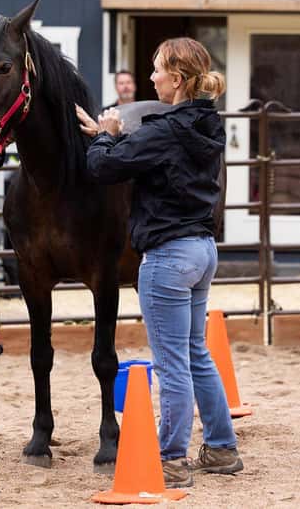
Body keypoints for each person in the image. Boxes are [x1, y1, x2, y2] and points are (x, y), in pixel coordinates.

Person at [77, 38, 242, 488]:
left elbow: (104, 169)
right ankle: (222, 447)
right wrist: (113, 136)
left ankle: (171, 458)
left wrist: (106, 137)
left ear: (179, 79)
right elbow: (152, 149)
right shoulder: (207, 123)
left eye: (157, 71)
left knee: (171, 364)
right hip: (202, 250)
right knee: (195, 353)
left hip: (168, 255)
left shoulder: (164, 129)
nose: (151, 79)